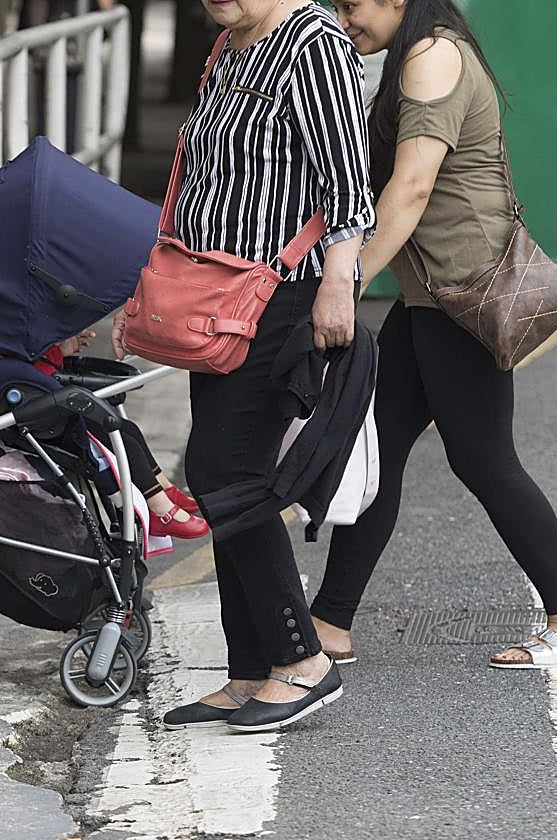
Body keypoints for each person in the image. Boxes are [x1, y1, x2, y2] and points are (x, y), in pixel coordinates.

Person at [311, 0, 557, 669]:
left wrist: (346, 279)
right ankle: (330, 622)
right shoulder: (409, 56)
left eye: (351, 4)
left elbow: (411, 189)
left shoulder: (433, 54)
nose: (343, 18)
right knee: (378, 449)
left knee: (483, 459)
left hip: (462, 293)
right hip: (429, 297)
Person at [114, 0, 374, 732]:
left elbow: (349, 185)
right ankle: (250, 669)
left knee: (228, 474)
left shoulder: (313, 43)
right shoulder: (230, 42)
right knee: (224, 474)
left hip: (281, 297)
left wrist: (337, 280)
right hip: (216, 296)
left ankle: (302, 661)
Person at [36, 331, 209, 539]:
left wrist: (58, 349)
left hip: (45, 389)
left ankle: (164, 489)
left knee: (129, 429)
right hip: (42, 405)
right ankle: (159, 509)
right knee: (121, 440)